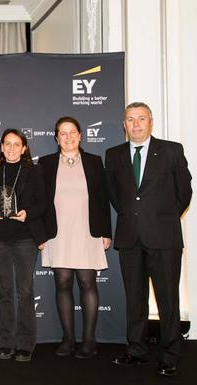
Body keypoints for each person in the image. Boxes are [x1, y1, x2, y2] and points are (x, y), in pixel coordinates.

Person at [105, 102, 192, 377]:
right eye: (130, 119)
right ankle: (136, 350)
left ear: (151, 122)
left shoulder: (171, 150)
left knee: (167, 299)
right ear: (124, 125)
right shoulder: (114, 154)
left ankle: (170, 355)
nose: (136, 124)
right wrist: (136, 217)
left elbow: (184, 193)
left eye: (141, 119)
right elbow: (115, 195)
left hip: (164, 238)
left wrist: (162, 218)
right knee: (135, 299)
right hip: (130, 237)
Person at [38, 117, 112, 359]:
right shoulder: (46, 163)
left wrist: (106, 232)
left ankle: (89, 340)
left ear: (80, 135)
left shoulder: (93, 161)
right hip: (58, 233)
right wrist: (41, 235)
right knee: (62, 283)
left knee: (87, 283)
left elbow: (102, 200)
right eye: (62, 133)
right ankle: (68, 339)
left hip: (87, 231)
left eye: (72, 132)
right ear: (56, 138)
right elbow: (40, 203)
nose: (68, 137)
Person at [0, 128, 46, 363]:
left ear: (24, 148)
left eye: (16, 144)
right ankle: (5, 342)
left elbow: (44, 203)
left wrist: (27, 213)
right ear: (1, 147)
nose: (11, 148)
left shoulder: (34, 171)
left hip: (24, 238)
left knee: (25, 291)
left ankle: (25, 344)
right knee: (5, 292)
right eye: (7, 144)